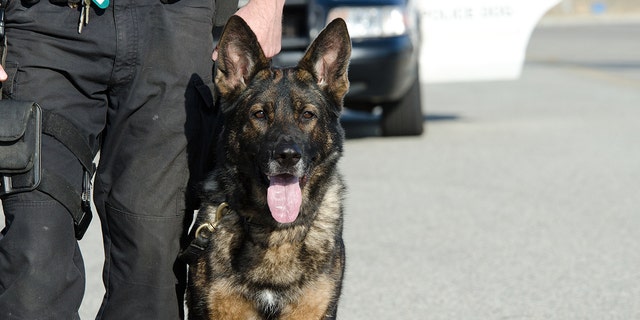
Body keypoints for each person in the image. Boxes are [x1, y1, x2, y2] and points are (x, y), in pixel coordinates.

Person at [0, 0, 285, 319]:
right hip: (46, 25)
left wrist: (268, 4)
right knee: (34, 257)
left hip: (174, 23)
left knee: (149, 276)